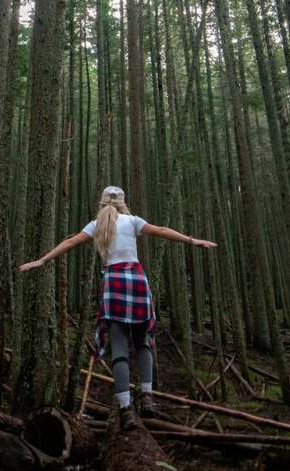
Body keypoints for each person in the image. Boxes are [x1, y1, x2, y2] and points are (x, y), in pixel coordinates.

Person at [19, 185, 217, 431]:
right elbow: (162, 230)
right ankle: (147, 397)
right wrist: (192, 240)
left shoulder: (96, 225)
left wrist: (42, 260)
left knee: (120, 348)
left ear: (102, 203)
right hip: (136, 280)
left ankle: (126, 409)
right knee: (143, 342)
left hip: (113, 282)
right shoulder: (133, 221)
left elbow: (69, 243)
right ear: (123, 202)